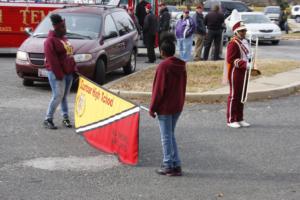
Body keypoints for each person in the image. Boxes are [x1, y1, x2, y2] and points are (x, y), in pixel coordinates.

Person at [149, 32, 187, 176]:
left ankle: (168, 164)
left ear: (162, 52)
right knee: (170, 135)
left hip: (165, 107)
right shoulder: (181, 65)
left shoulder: (163, 66)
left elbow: (158, 90)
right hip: (177, 105)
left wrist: (152, 108)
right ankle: (175, 164)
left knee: (166, 136)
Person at [43, 14, 76, 129]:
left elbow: (70, 56)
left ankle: (65, 118)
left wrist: (74, 69)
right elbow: (52, 61)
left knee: (64, 96)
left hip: (68, 73)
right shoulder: (49, 41)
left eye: (65, 26)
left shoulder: (64, 39)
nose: (65, 29)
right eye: (62, 27)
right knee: (57, 96)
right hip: (57, 74)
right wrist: (59, 75)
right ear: (56, 28)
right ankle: (48, 118)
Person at [225, 10, 251, 128]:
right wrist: (244, 64)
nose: (244, 32)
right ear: (236, 31)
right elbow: (231, 59)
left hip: (244, 71)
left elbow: (247, 55)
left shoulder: (245, 41)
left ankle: (239, 118)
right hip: (236, 72)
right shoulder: (233, 43)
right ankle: (231, 119)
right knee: (234, 95)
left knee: (242, 95)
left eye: (244, 30)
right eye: (241, 31)